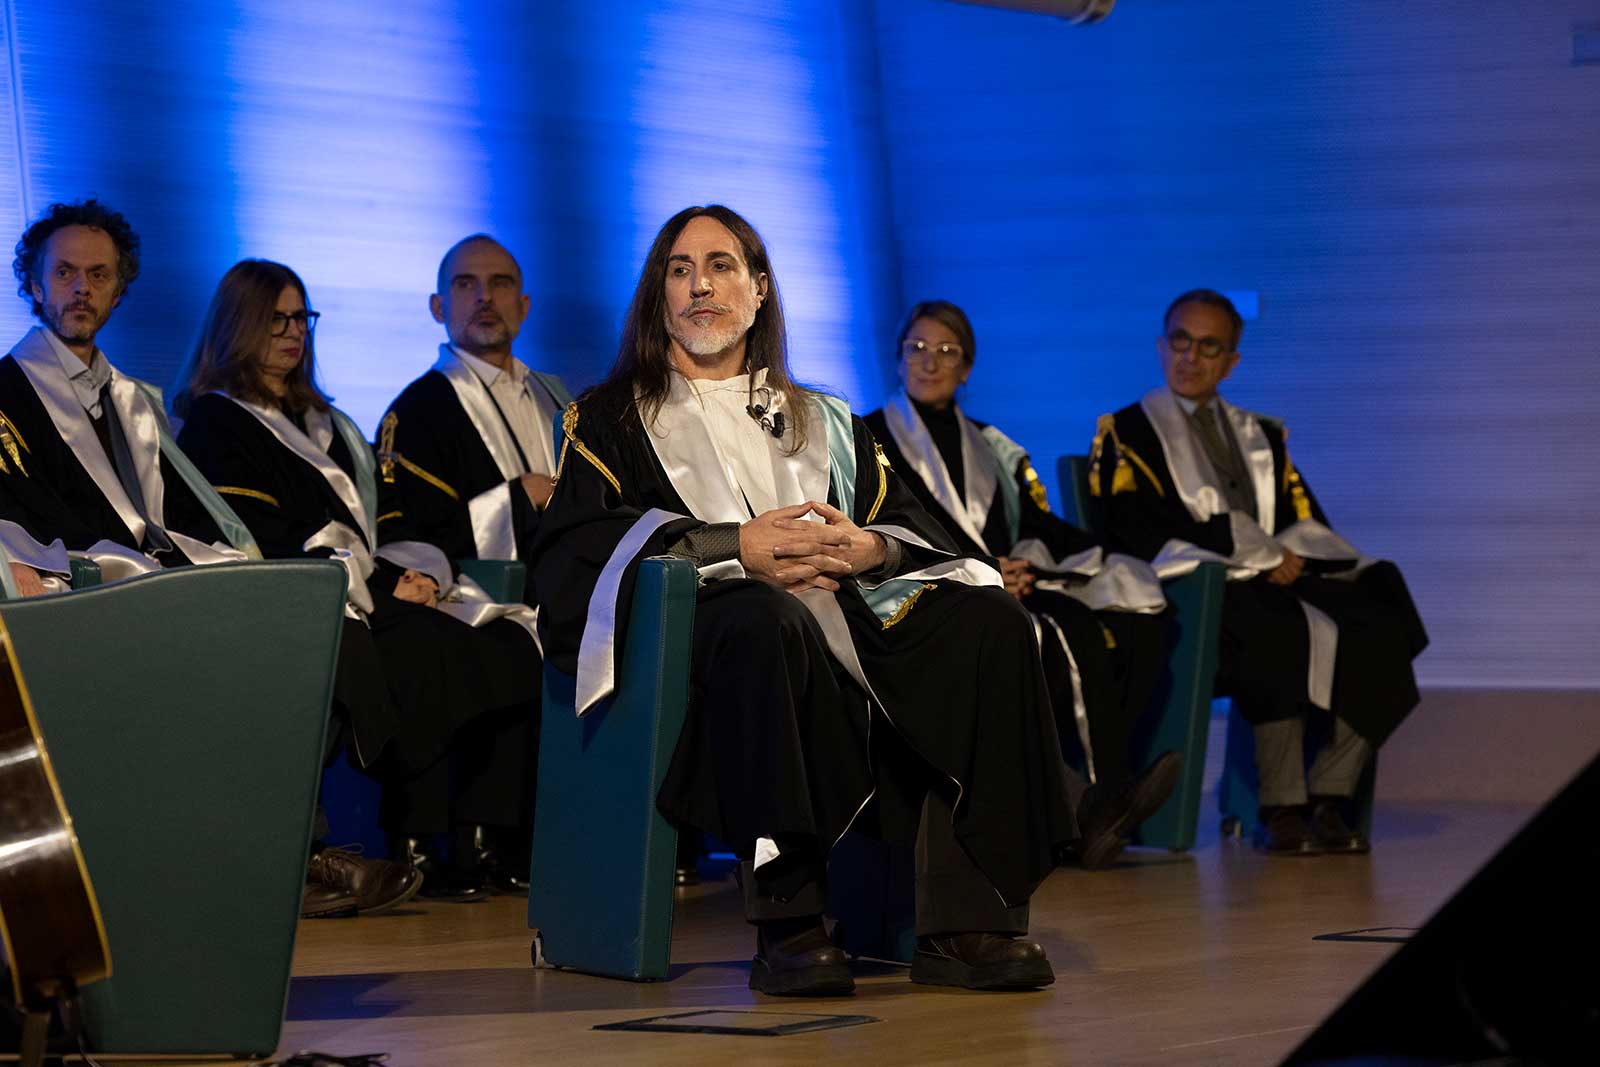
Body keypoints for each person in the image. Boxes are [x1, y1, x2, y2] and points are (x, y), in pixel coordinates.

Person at [532, 205, 1074, 996]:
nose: (699, 287)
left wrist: (871, 547)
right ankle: (789, 917)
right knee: (765, 619)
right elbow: (577, 551)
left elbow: (915, 528)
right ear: (657, 297)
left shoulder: (826, 420)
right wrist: (732, 547)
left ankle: (968, 919)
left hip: (847, 611)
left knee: (988, 620)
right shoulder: (610, 419)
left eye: (720, 266)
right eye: (678, 271)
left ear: (758, 291)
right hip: (708, 627)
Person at [0, 202, 415, 919]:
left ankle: (290, 853)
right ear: (33, 284)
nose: (80, 288)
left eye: (98, 274)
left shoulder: (135, 400)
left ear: (119, 288)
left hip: (162, 583)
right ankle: (292, 860)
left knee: (314, 620)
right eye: (63, 272)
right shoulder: (5, 394)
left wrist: (237, 568)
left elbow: (185, 518)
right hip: (83, 595)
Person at [172, 259, 541, 904]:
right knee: (427, 651)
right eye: (276, 319)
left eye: (301, 318)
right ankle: (416, 839)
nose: (293, 333)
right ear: (239, 325)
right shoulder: (215, 423)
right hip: (298, 595)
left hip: (364, 583)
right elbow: (255, 532)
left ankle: (482, 838)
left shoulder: (326, 422)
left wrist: (404, 574)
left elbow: (372, 526)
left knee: (510, 644)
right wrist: (376, 581)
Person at [1090, 289, 1427, 855]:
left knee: (1380, 602)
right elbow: (1128, 524)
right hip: (1196, 593)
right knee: (1273, 623)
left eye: (1208, 346)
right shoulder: (1126, 433)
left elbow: (1302, 517)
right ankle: (1283, 805)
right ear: (1160, 344)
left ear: (1231, 361)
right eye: (1180, 340)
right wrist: (1243, 550)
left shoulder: (1263, 436)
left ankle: (1330, 792)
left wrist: (1290, 557)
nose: (1190, 357)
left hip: (1271, 579)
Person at [864, 300, 1181, 869]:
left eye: (946, 351)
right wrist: (983, 566)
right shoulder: (868, 439)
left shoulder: (993, 446)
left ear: (966, 369)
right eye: (917, 348)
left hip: (999, 584)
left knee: (1091, 621)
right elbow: (885, 530)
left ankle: (1099, 801)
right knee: (1044, 636)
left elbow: (1035, 523)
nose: (929, 362)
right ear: (897, 358)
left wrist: (1048, 562)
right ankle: (1094, 809)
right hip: (923, 592)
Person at [377, 235, 571, 580]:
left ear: (524, 306)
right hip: (486, 614)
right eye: (466, 284)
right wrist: (519, 499)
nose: (485, 297)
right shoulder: (416, 413)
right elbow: (413, 541)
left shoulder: (558, 398)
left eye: (500, 283)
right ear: (438, 307)